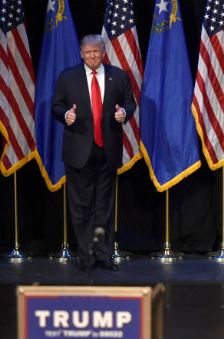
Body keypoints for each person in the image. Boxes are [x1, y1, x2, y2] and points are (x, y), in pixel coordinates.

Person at [52, 34, 135, 271]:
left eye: (96, 51)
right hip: (78, 151)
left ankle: (104, 254)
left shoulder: (118, 75)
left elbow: (130, 102)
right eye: (88, 52)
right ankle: (86, 254)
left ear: (103, 51)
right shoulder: (68, 77)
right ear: (81, 53)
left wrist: (125, 114)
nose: (92, 56)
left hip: (107, 150)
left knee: (105, 206)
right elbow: (56, 106)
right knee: (81, 206)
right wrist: (65, 115)